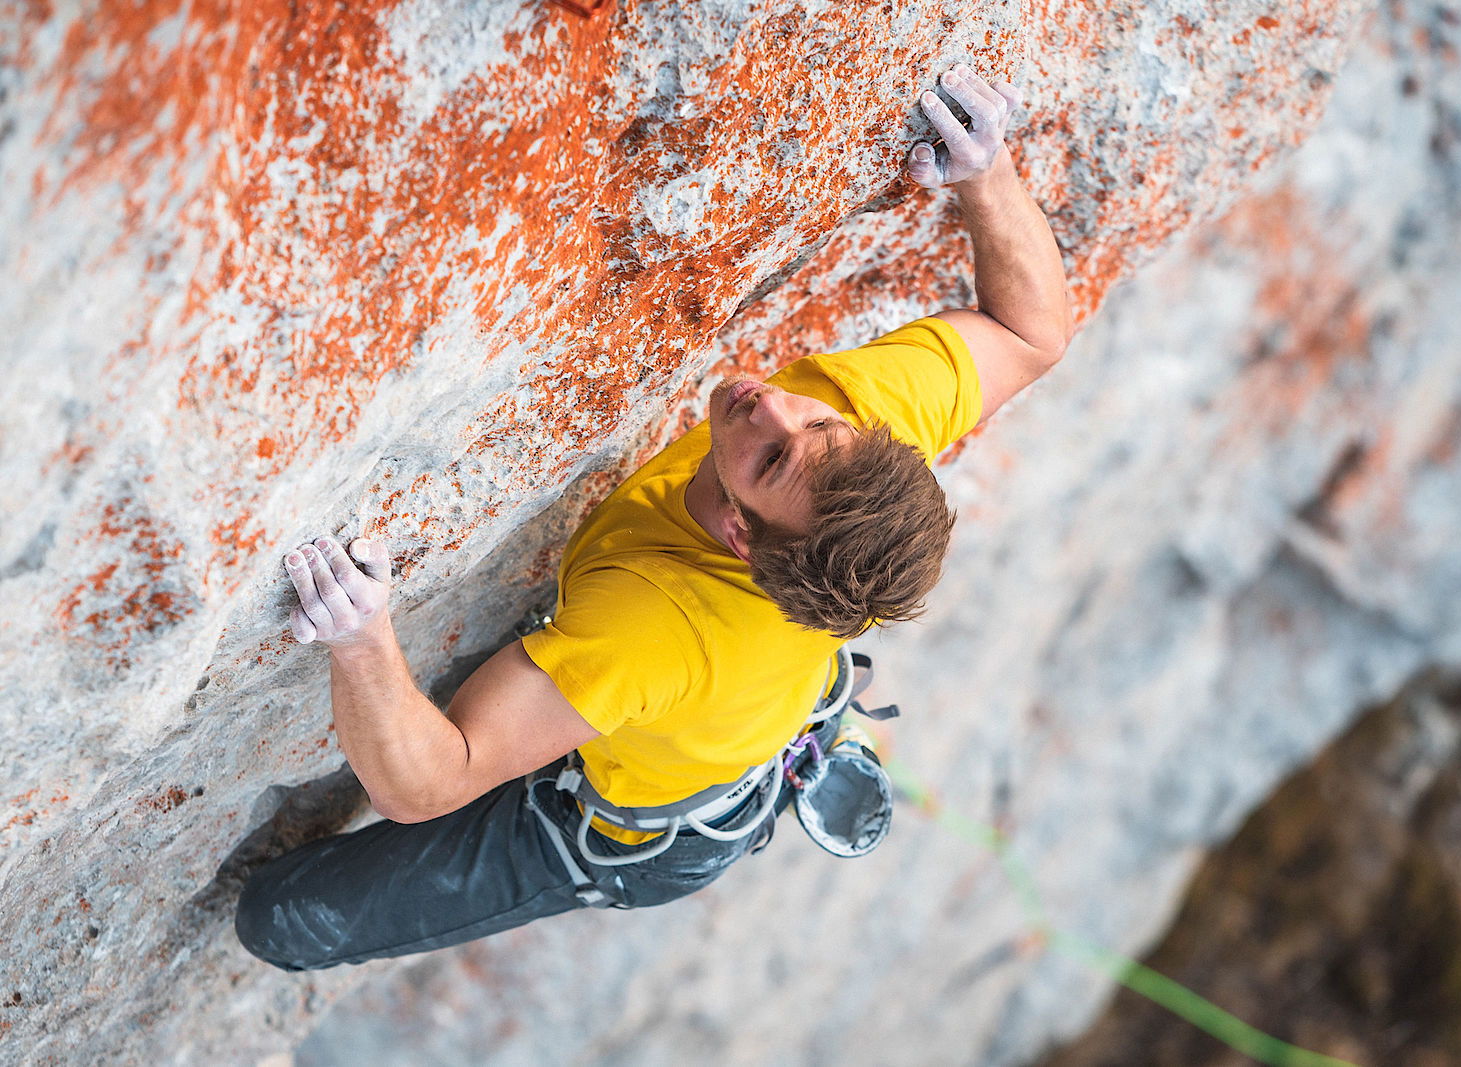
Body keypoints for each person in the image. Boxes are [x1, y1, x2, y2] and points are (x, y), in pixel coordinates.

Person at [236, 62, 1070, 970]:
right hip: (735, 673)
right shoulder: (868, 424)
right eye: (816, 421)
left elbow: (432, 779)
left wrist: (361, 638)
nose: (770, 404)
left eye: (773, 455)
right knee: (709, 681)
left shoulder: (652, 630)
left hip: (662, 828)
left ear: (742, 537)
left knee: (279, 918)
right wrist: (988, 176)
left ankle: (757, 766)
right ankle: (807, 725)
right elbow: (1034, 334)